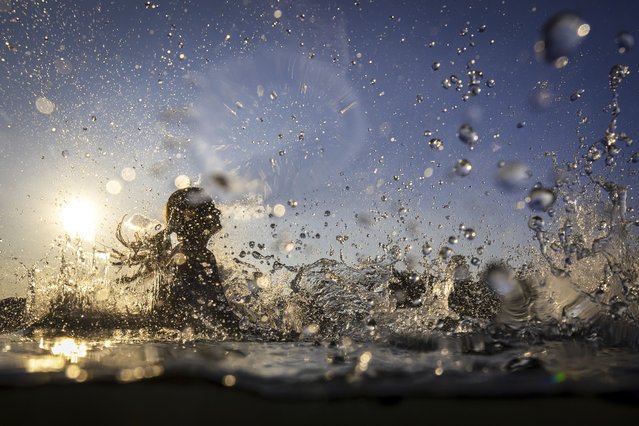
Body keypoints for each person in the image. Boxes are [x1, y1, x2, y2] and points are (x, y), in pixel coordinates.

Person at [152, 187, 240, 335]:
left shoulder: (180, 253)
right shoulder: (199, 255)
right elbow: (224, 318)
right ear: (190, 216)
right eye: (210, 207)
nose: (217, 212)